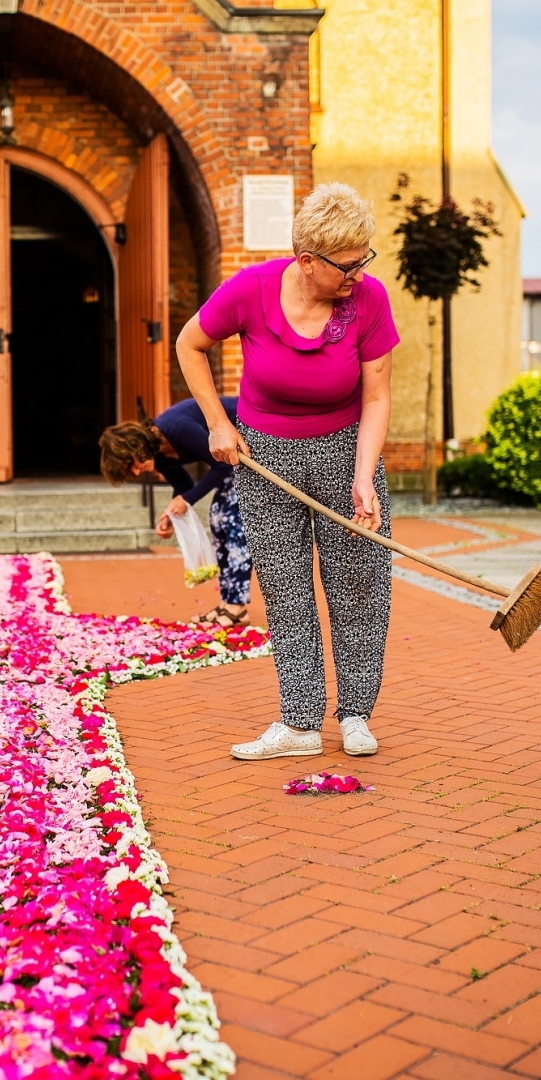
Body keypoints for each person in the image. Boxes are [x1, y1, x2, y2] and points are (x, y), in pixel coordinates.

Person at [172, 183, 398, 761]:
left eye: (362, 260)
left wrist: (365, 475)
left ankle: (354, 716)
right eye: (346, 265)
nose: (358, 275)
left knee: (358, 586)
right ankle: (299, 724)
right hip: (265, 458)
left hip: (347, 449)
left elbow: (376, 398)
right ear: (307, 260)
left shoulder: (369, 300)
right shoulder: (251, 289)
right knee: (287, 590)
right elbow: (188, 343)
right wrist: (217, 425)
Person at [99, 395, 252, 626]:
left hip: (251, 433)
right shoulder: (158, 456)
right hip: (231, 459)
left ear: (136, 447)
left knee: (230, 521)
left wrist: (187, 500)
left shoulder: (178, 428)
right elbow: (184, 487)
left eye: (132, 464)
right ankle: (228, 604)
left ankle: (237, 607)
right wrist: (172, 515)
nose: (138, 472)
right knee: (218, 521)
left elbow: (222, 465)